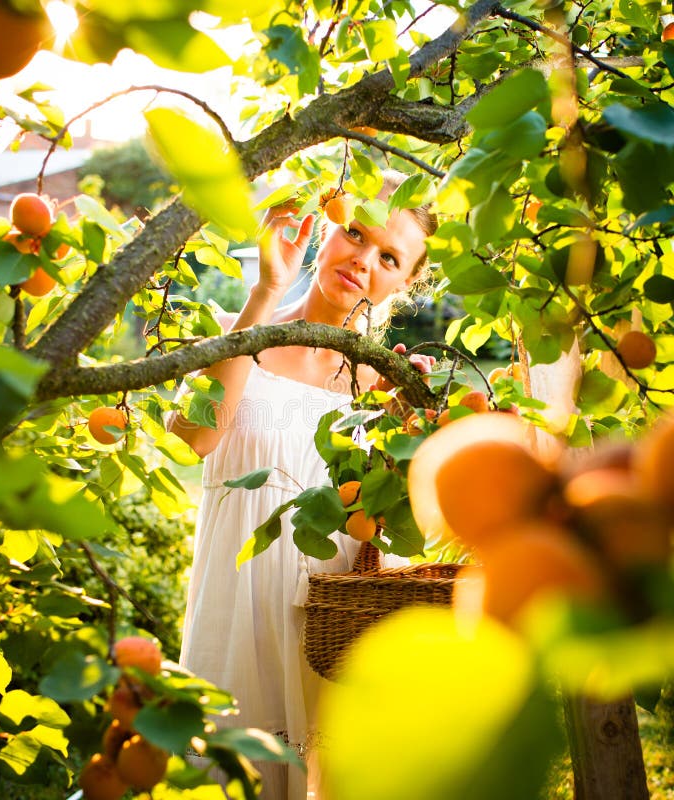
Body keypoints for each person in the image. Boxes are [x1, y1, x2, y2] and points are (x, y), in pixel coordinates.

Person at [167, 170, 438, 799]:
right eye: (354, 233)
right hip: (242, 620)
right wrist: (265, 291)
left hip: (333, 624)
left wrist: (421, 426)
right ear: (325, 230)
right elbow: (197, 433)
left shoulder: (386, 383)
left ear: (406, 281)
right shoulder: (243, 338)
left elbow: (410, 518)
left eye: (389, 257)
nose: (363, 260)